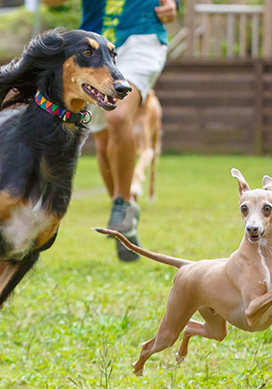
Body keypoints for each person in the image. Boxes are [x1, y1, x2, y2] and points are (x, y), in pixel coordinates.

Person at [43, 0, 176, 261]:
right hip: (94, 43)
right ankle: (125, 215)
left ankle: (122, 205)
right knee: (102, 146)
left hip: (141, 36)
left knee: (119, 116)